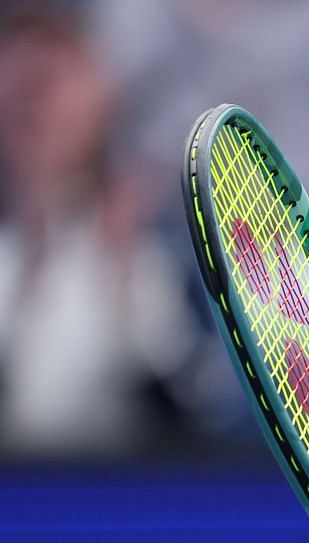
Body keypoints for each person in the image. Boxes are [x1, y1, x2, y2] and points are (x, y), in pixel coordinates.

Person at [0, 8, 201, 456]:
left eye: (54, 77)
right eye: (20, 82)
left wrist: (120, 277)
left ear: (105, 96)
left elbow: (197, 414)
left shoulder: (164, 241)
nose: (36, 97)